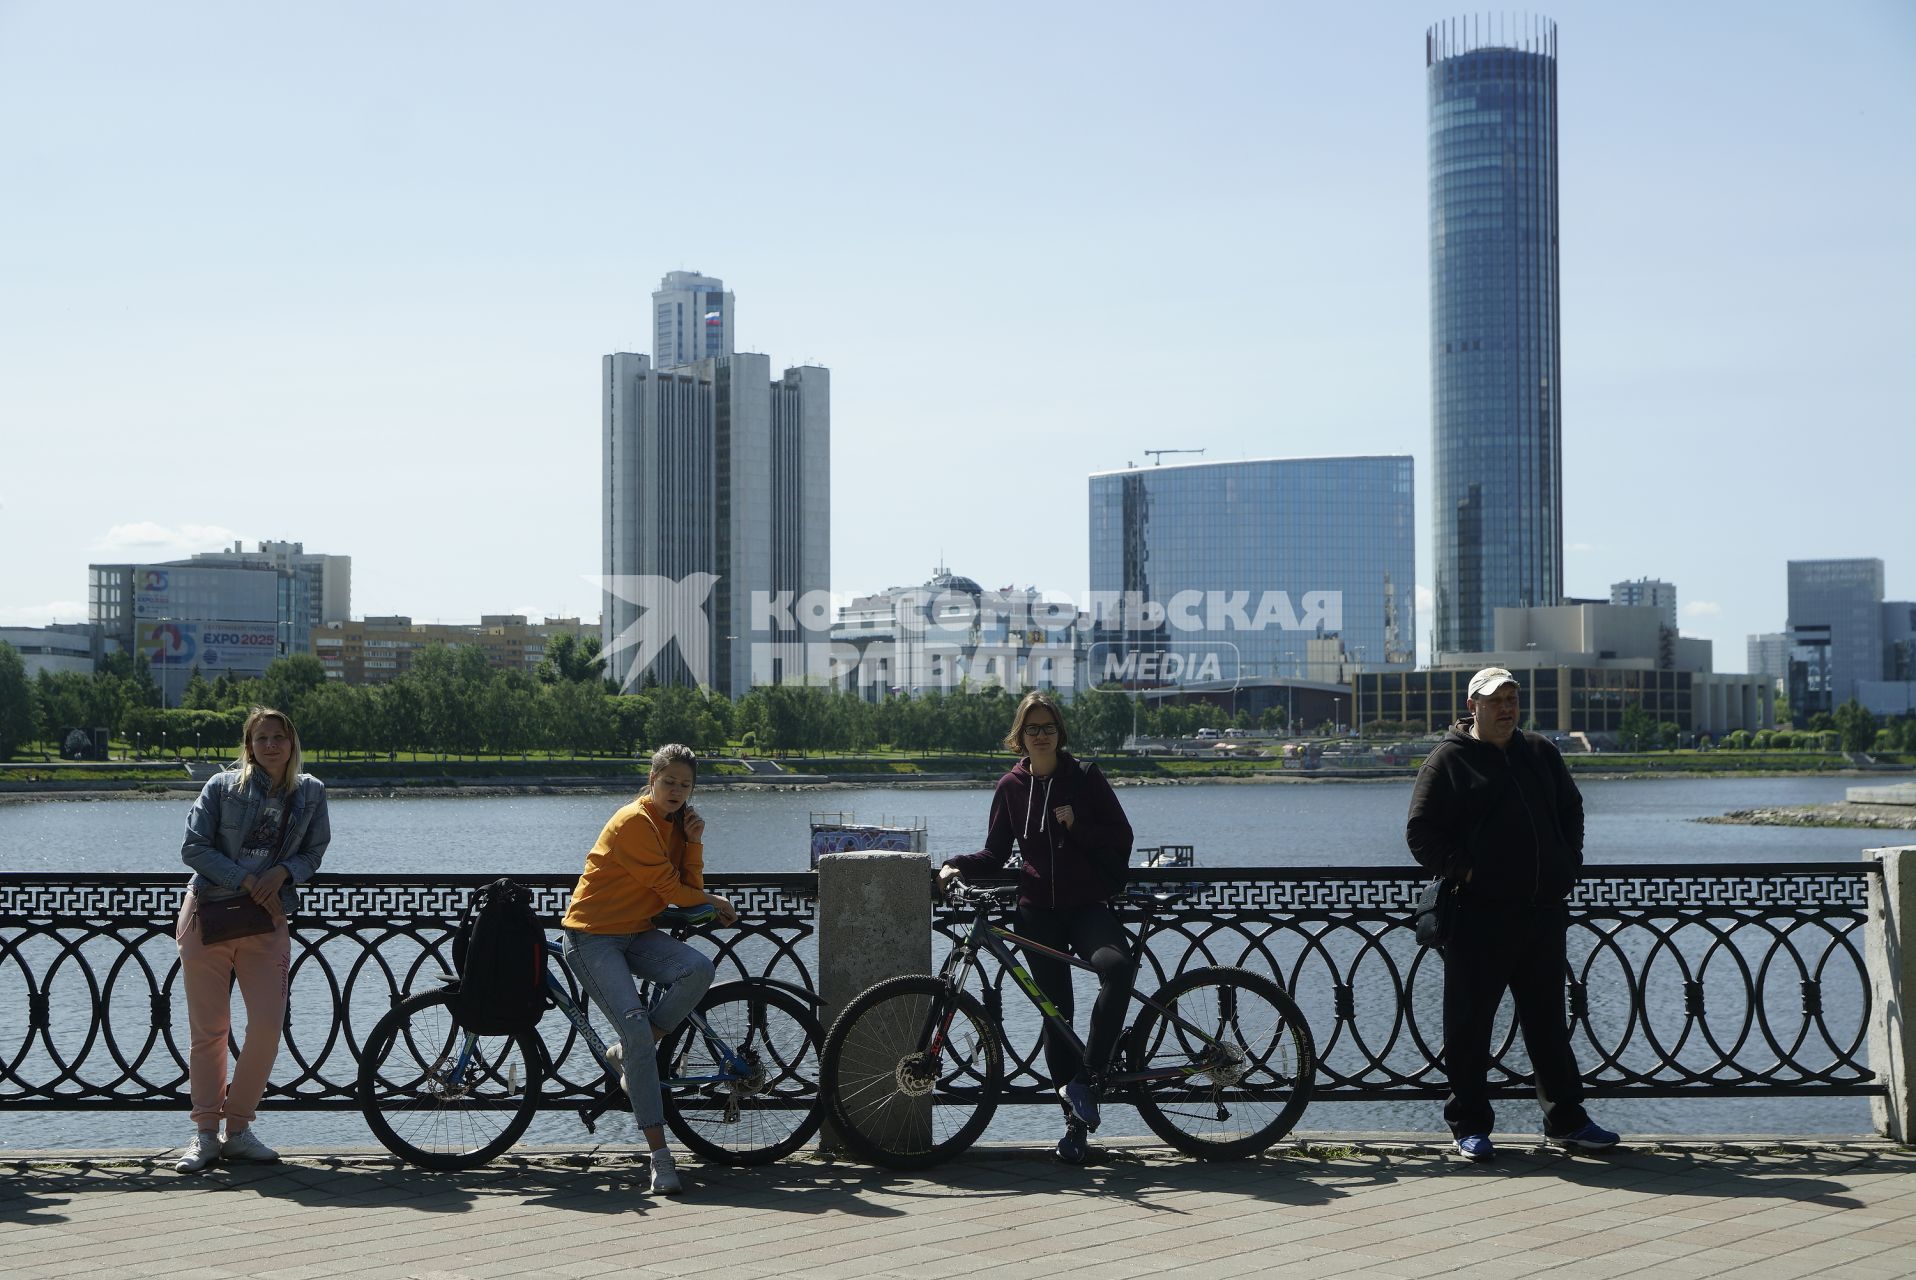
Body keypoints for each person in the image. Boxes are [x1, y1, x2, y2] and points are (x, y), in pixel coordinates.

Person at [1405, 666, 1619, 1161]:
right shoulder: (1447, 761)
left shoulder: (1540, 752)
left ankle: (1567, 1121)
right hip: (1479, 915)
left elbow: (1571, 810)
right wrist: (1472, 874)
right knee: (1469, 1025)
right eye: (1495, 699)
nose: (1505, 708)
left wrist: (1568, 863)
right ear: (1472, 705)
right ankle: (1469, 1127)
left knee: (1547, 1023)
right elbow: (1421, 833)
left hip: (1542, 912)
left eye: (1511, 699)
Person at [937, 691, 1134, 1165]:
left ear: (1059, 732)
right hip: (1036, 913)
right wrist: (953, 865)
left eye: (1047, 727)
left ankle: (1089, 1077)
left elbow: (1121, 838)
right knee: (1055, 1014)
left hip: (1087, 906)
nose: (1040, 735)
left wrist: (1077, 825)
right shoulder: (1010, 787)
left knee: (1119, 968)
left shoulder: (1085, 779)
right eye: (1032, 729)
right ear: (1020, 737)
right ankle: (1075, 1129)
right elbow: (994, 853)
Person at [562, 743, 735, 1195]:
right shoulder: (633, 822)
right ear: (652, 779)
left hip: (636, 933)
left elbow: (687, 886)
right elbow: (672, 890)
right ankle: (660, 1158)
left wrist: (694, 843)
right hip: (592, 937)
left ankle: (630, 1049)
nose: (676, 790)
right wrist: (713, 902)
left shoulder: (679, 826)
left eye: (685, 784)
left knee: (698, 968)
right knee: (635, 1028)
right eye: (669, 781)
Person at [174, 706, 332, 1174]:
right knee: (210, 1031)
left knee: (266, 1025)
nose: (271, 745)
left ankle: (238, 1128)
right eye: (261, 738)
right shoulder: (221, 788)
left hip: (267, 919)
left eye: (279, 737)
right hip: (209, 914)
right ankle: (205, 1134)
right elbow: (193, 847)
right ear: (249, 745)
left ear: (292, 743)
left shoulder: (311, 793)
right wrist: (245, 879)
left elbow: (315, 850)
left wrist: (284, 871)